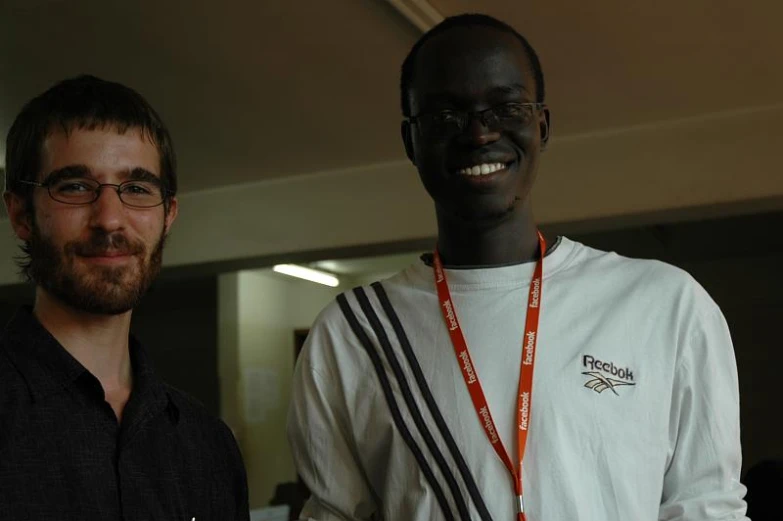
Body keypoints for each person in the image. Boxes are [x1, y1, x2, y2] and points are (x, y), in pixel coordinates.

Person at [287, 14, 748, 521]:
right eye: (445, 116)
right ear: (410, 142)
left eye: (506, 107)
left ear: (542, 126)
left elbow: (707, 507)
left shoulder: (664, 304)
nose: (480, 133)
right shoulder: (353, 332)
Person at [0, 75, 249, 520]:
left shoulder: (209, 444)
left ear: (168, 214)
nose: (110, 220)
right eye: (75, 186)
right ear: (21, 214)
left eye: (136, 189)